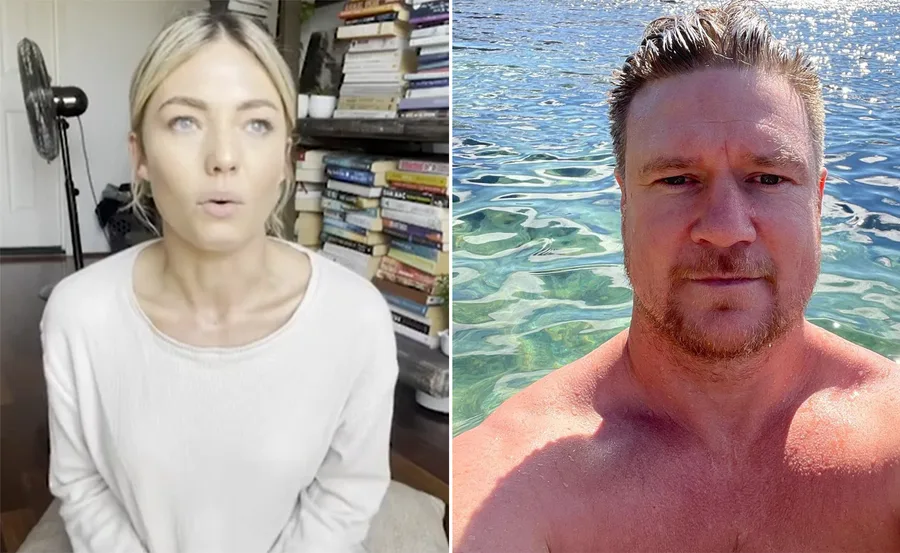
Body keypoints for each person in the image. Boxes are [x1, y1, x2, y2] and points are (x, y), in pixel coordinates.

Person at [453, 2, 900, 552]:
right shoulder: (520, 486)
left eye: (768, 177)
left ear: (819, 199)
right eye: (677, 179)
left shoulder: (890, 440)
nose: (726, 228)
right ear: (623, 202)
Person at [40, 10, 399, 552]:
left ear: (286, 158)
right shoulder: (77, 315)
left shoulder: (356, 318)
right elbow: (80, 483)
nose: (224, 159)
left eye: (256, 123)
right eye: (185, 121)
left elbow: (346, 492)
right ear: (138, 154)